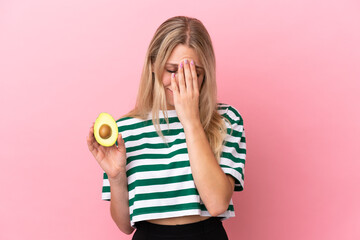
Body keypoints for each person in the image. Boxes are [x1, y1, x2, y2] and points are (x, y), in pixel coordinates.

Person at [87, 15, 246, 240]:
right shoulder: (125, 129)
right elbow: (124, 225)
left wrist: (190, 120)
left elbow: (218, 203)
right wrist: (116, 177)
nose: (180, 81)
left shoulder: (226, 119)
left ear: (205, 74)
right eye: (172, 70)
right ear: (153, 64)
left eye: (193, 73)